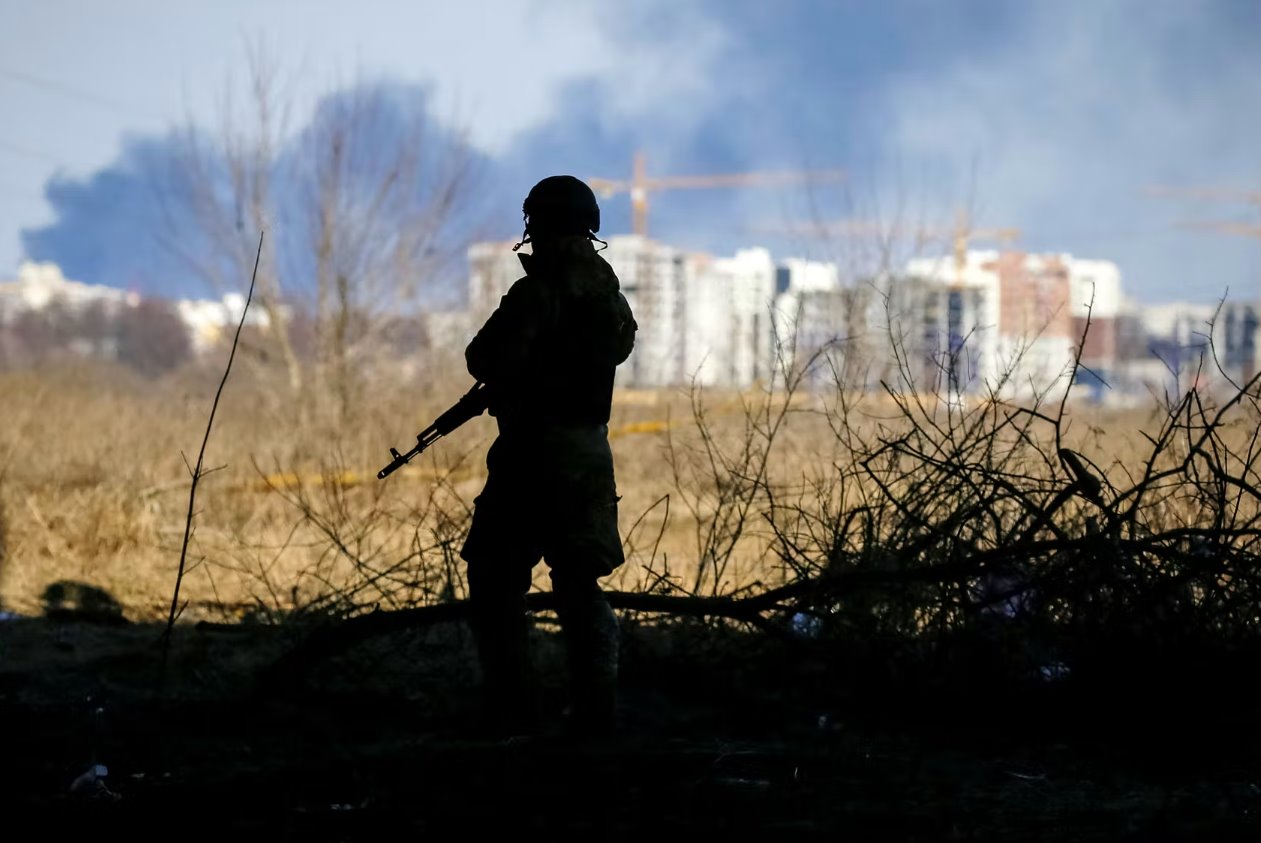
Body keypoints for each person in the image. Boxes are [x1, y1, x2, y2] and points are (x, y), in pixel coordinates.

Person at [461, 175, 637, 737]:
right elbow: (617, 347)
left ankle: (511, 708)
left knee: (494, 579)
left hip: (533, 455)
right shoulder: (609, 294)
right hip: (589, 455)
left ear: (538, 225)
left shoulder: (539, 292)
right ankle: (595, 711)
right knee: (579, 586)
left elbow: (482, 356)